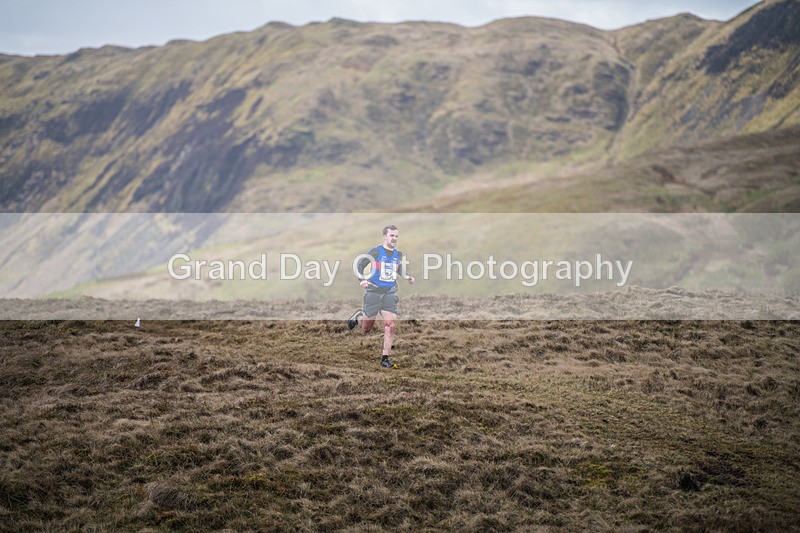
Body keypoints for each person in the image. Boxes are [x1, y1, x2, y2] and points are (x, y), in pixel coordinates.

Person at [347, 225, 415, 368]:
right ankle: (359, 316)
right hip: (373, 292)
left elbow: (399, 269)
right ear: (385, 237)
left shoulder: (399, 254)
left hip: (389, 293)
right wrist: (362, 280)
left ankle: (385, 359)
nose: (394, 238)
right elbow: (359, 265)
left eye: (396, 236)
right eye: (392, 236)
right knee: (366, 328)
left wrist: (407, 277)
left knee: (390, 326)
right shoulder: (376, 251)